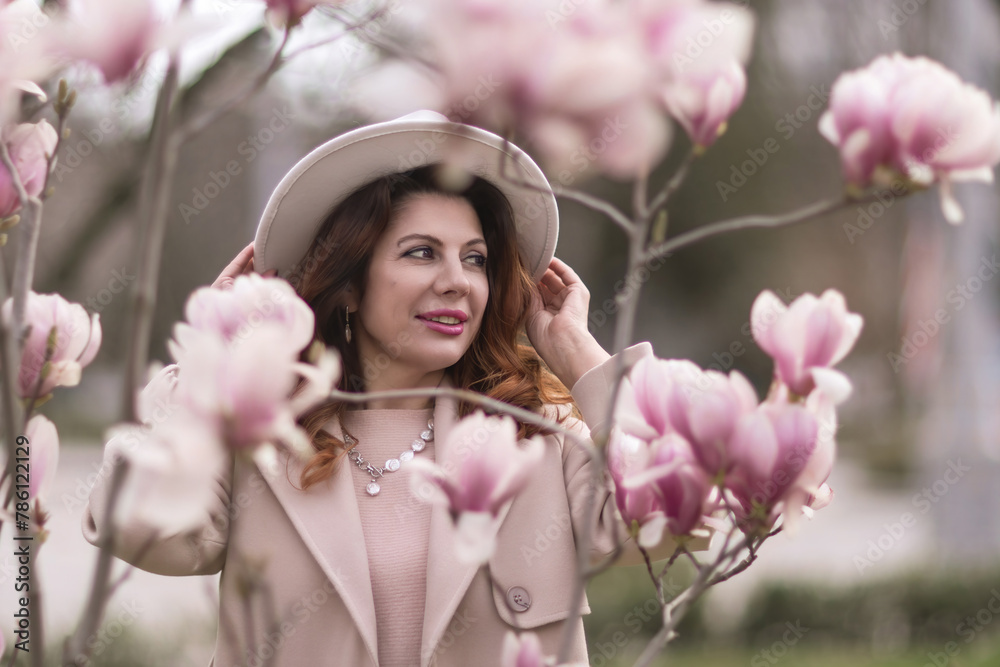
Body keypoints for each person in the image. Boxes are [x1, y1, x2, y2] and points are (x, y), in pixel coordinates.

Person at [82, 110, 656, 667]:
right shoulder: (262, 440)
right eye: (422, 252)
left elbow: (661, 522)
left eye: (475, 259)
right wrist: (214, 356)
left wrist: (576, 350)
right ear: (351, 283)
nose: (457, 282)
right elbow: (136, 525)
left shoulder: (536, 432)